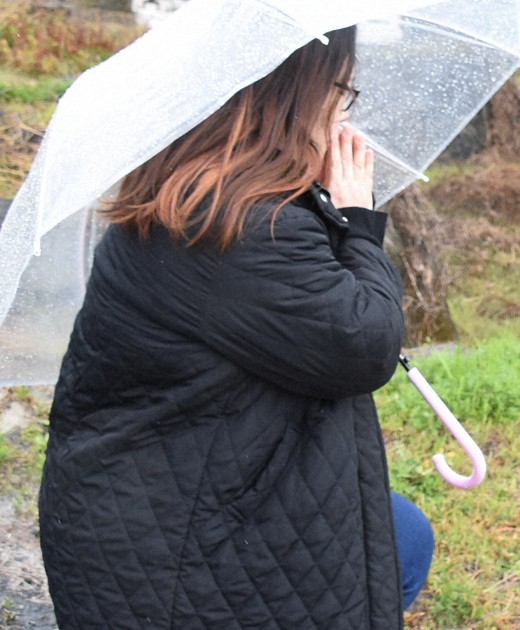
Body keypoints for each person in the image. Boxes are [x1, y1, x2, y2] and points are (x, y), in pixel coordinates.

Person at [38, 26, 432, 628]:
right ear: (295, 95)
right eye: (341, 90)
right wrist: (356, 219)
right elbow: (366, 343)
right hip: (172, 548)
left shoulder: (188, 187)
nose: (342, 112)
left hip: (145, 500)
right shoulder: (244, 225)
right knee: (396, 541)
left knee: (398, 530)